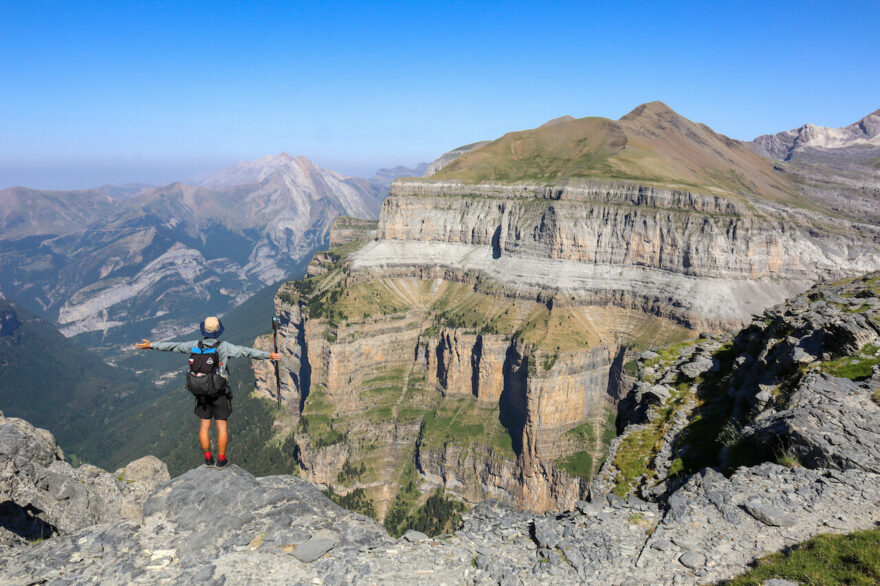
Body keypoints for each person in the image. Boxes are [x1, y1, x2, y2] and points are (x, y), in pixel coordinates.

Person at [135, 316, 281, 469]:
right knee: (221, 426)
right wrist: (269, 355)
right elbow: (246, 352)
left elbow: (173, 346)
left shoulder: (194, 345)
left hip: (201, 394)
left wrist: (151, 345)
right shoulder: (224, 347)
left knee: (204, 427)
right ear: (218, 331)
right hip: (219, 393)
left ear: (204, 330)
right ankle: (221, 460)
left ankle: (208, 460)